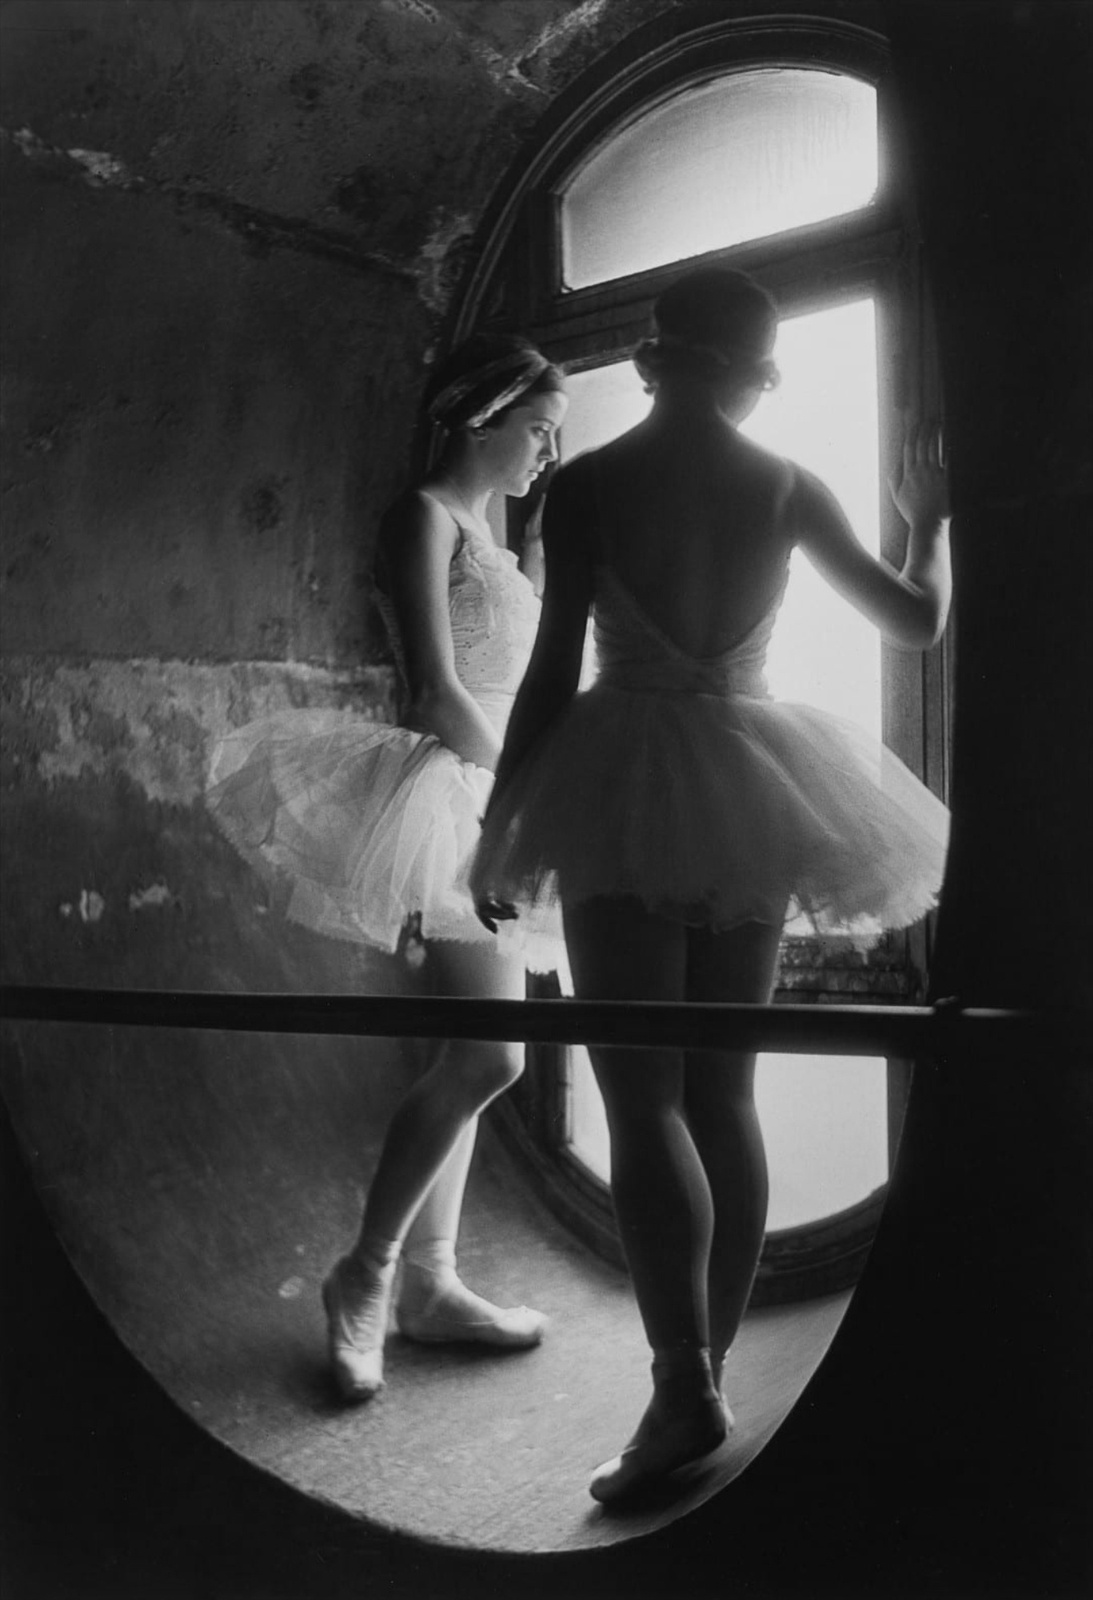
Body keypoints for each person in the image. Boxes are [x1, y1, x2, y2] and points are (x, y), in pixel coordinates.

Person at [471, 267, 951, 1504]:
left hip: (617, 773)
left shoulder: (583, 486)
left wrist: (500, 823)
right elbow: (912, 623)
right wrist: (929, 522)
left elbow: (545, 672)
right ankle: (705, 1370)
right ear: (757, 369)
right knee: (723, 1093)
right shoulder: (786, 484)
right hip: (749, 779)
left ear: (650, 357)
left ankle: (681, 1381)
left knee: (643, 1102)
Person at [207, 333, 568, 1402]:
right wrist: (524, 807)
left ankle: (429, 1284)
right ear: (481, 415)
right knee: (491, 1059)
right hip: (461, 788)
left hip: (498, 783)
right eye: (538, 428)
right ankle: (366, 1277)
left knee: (478, 1051)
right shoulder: (423, 515)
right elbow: (432, 692)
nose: (546, 451)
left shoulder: (498, 532)